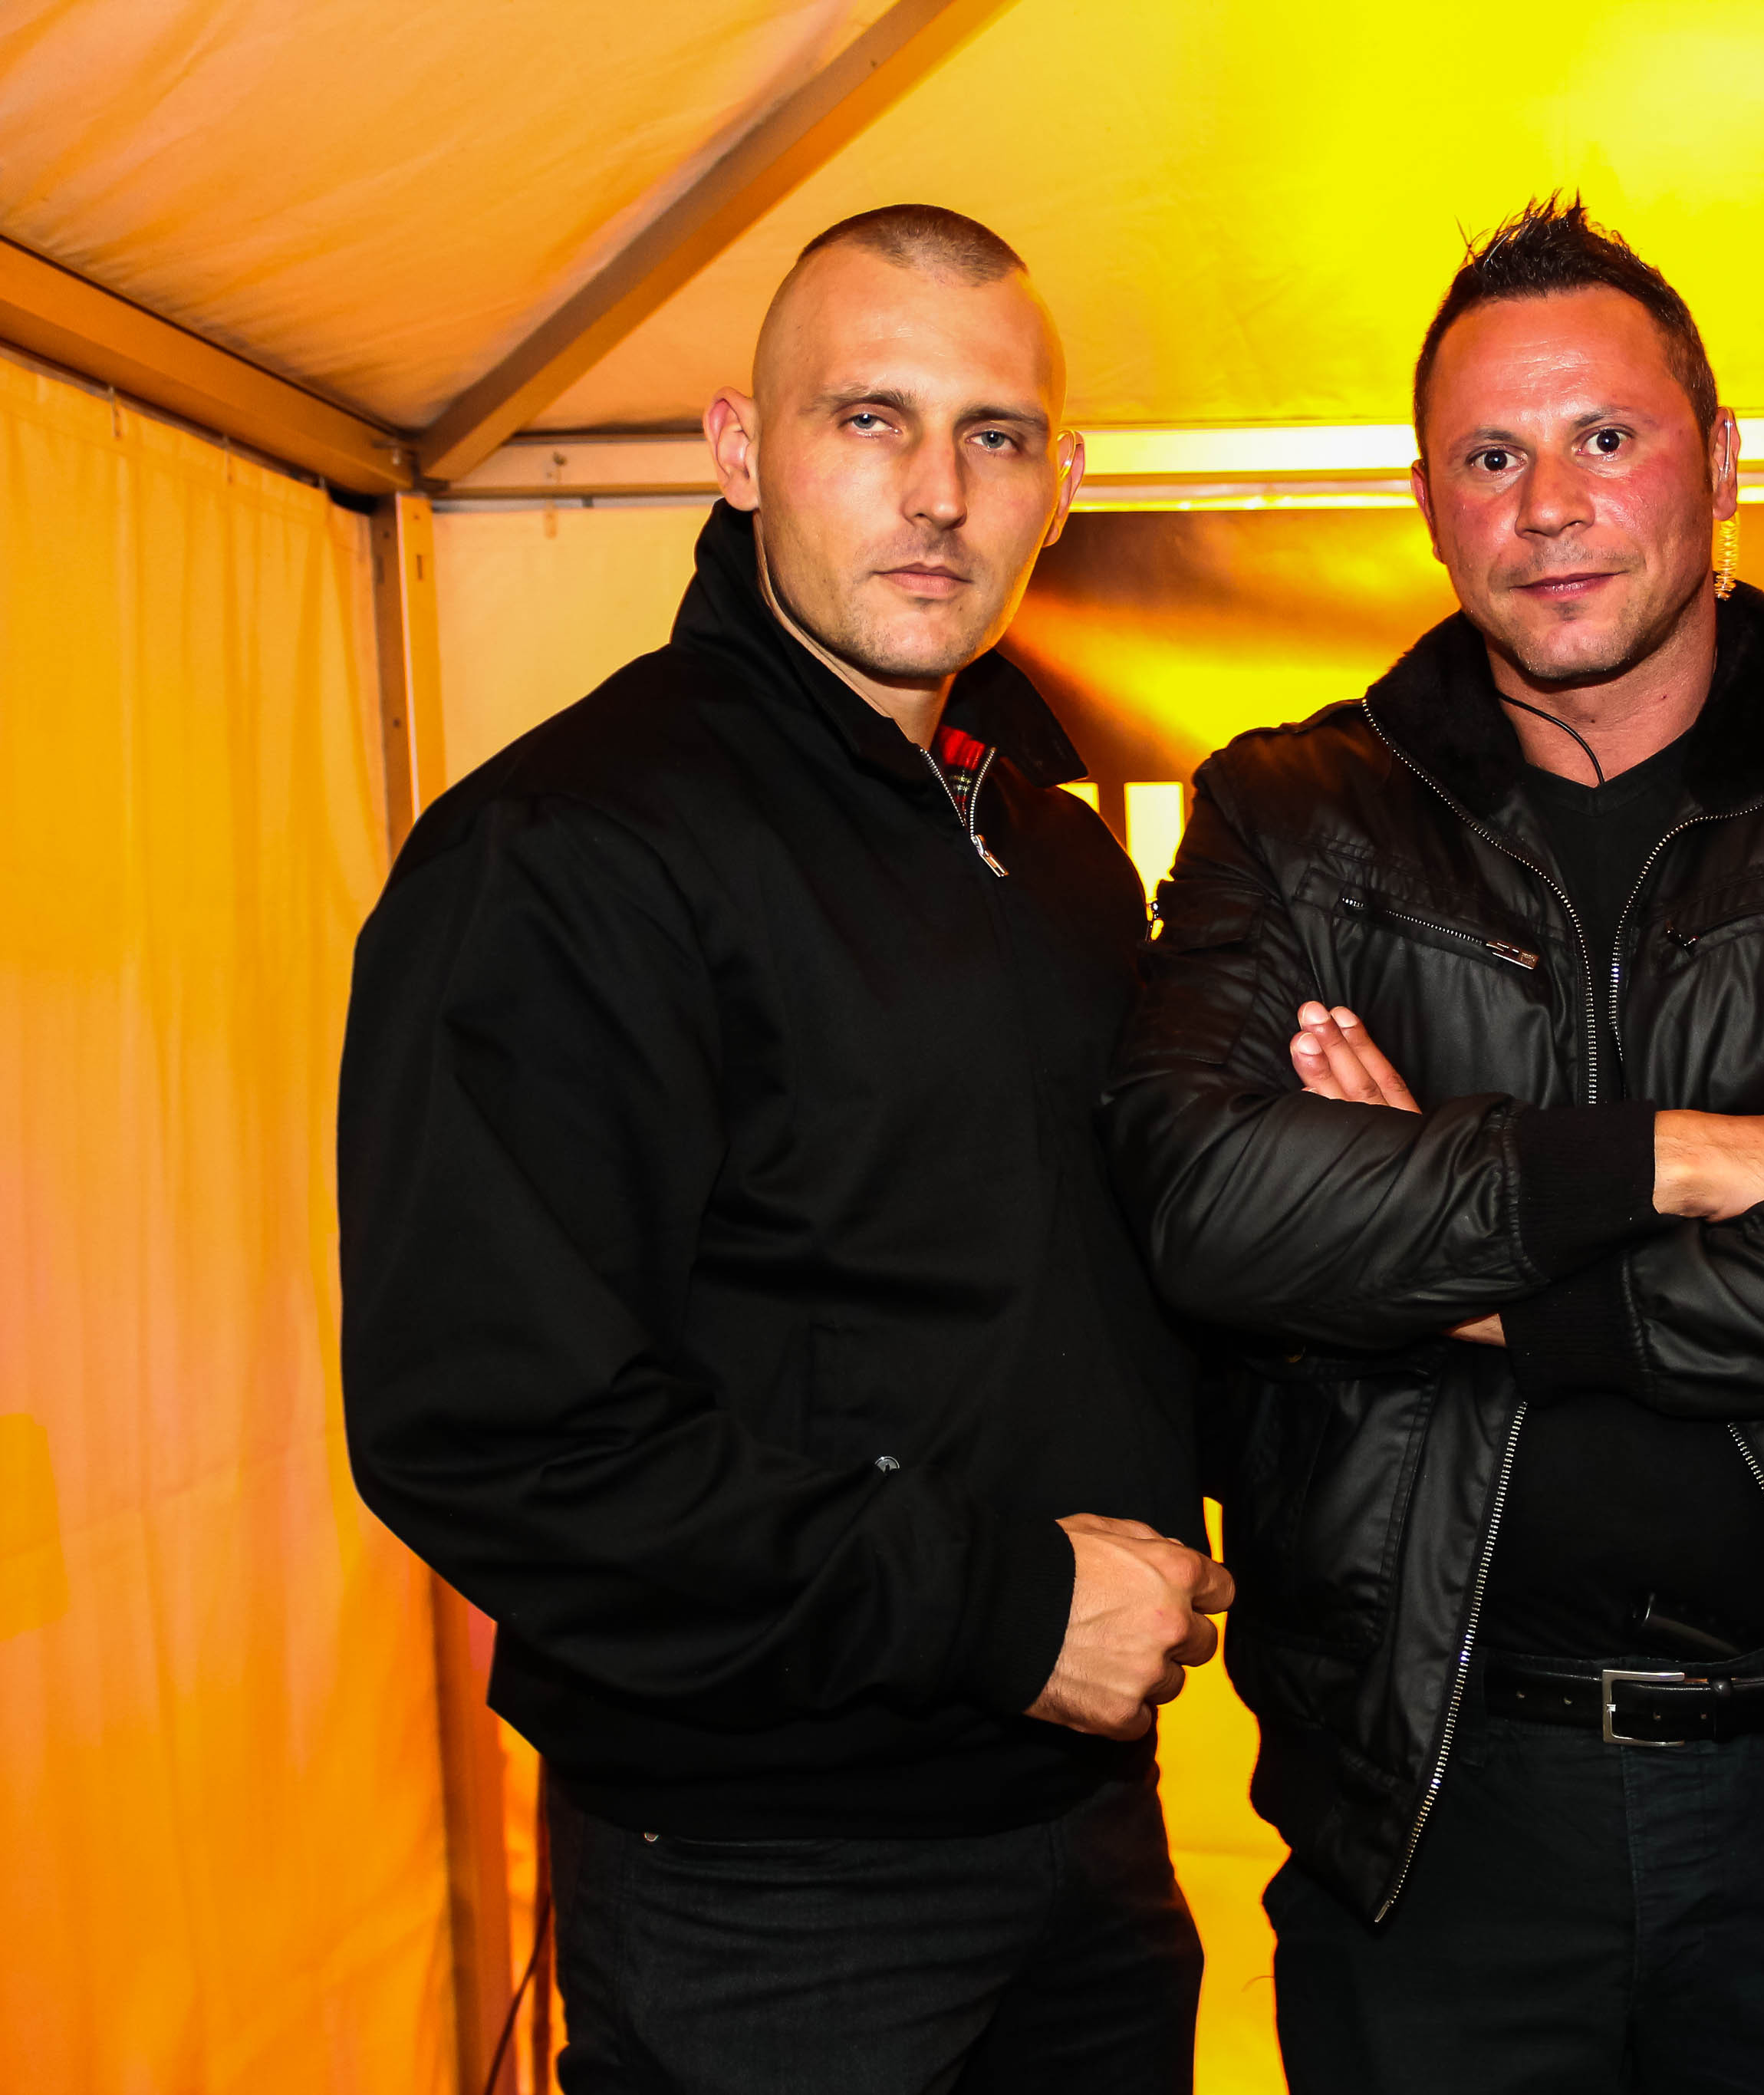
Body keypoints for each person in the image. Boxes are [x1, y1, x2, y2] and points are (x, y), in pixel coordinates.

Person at [1102, 198, 1764, 2093]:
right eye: (1489, 457)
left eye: (1603, 438)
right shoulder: (1291, 815)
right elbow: (1210, 1208)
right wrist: (1685, 1159)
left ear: (1719, 462)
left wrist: (1455, 1261)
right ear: (1426, 499)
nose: (1547, 505)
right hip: (1433, 1817)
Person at [339, 206, 1227, 2094]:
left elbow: (1067, 1297)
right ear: (740, 452)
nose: (936, 492)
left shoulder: (1052, 851)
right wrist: (1003, 1606)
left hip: (1080, 1830)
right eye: (867, 418)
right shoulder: (571, 848)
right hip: (765, 1886)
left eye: (994, 436)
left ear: (1061, 486)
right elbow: (493, 1430)